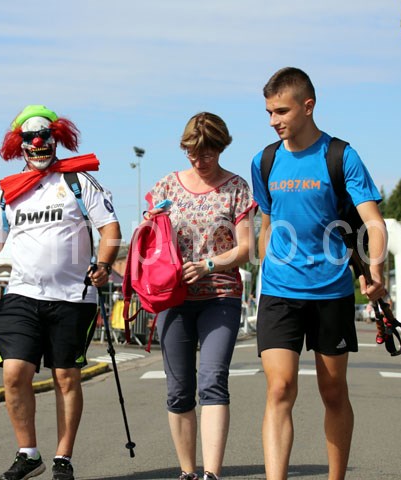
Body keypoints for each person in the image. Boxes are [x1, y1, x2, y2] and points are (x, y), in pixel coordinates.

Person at [0, 105, 121, 480]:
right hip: (22, 295)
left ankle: (63, 458)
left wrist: (104, 264)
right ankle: (28, 454)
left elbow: (110, 228)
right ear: (20, 144)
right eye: (30, 138)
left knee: (66, 377)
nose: (37, 143)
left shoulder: (78, 181)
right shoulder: (9, 192)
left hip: (73, 297)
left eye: (44, 136)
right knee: (15, 372)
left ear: (56, 138)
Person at [250, 67, 387, 480]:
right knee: (279, 388)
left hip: (331, 291)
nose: (273, 121)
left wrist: (375, 269)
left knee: (333, 392)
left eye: (281, 111)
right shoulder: (264, 161)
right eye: (269, 112)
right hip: (279, 290)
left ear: (308, 106)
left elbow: (374, 222)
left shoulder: (341, 156)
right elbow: (267, 225)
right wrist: (261, 274)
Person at [145, 112, 255, 480]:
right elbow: (151, 241)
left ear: (221, 148)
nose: (199, 160)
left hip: (220, 296)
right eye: (192, 153)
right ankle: (187, 472)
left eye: (207, 153)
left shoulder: (236, 188)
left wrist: (208, 265)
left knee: (212, 380)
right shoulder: (166, 187)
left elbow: (246, 249)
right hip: (173, 299)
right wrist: (149, 225)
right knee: (178, 390)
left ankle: (212, 474)